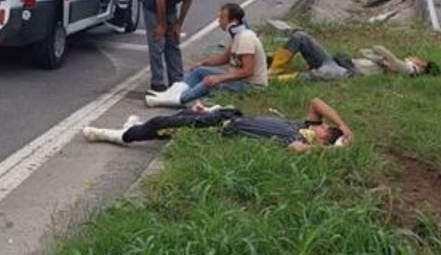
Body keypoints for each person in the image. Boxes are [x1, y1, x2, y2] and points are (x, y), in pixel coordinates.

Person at [83, 97, 354, 154]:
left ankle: (113, 135)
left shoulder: (299, 141)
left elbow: (298, 150)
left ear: (322, 139)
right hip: (225, 115)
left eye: (326, 129)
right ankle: (132, 126)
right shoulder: (304, 125)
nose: (322, 125)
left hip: (220, 129)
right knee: (180, 117)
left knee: (161, 124)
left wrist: (333, 150)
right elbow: (317, 102)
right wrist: (343, 125)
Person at [146, 3, 267, 107]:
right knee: (200, 71)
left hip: (251, 86)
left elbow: (248, 71)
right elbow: (225, 58)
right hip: (239, 80)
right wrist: (203, 63)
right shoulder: (237, 36)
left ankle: (176, 100)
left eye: (222, 18)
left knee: (209, 81)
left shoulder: (246, 38)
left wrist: (219, 78)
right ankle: (170, 94)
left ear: (233, 21)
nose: (219, 21)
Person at [142, 0, 219, 93]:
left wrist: (178, 24)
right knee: (158, 43)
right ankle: (157, 83)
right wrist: (162, 25)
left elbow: (187, 1)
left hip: (170, 8)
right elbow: (160, 0)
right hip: (153, 7)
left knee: (173, 43)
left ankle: (176, 81)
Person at [267, 30, 438, 80]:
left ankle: (270, 80)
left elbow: (378, 48)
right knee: (301, 36)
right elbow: (365, 51)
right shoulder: (397, 65)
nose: (413, 56)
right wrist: (381, 61)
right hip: (340, 63)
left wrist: (387, 58)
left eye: (418, 59)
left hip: (347, 73)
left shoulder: (409, 70)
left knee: (315, 75)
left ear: (422, 66)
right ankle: (274, 70)